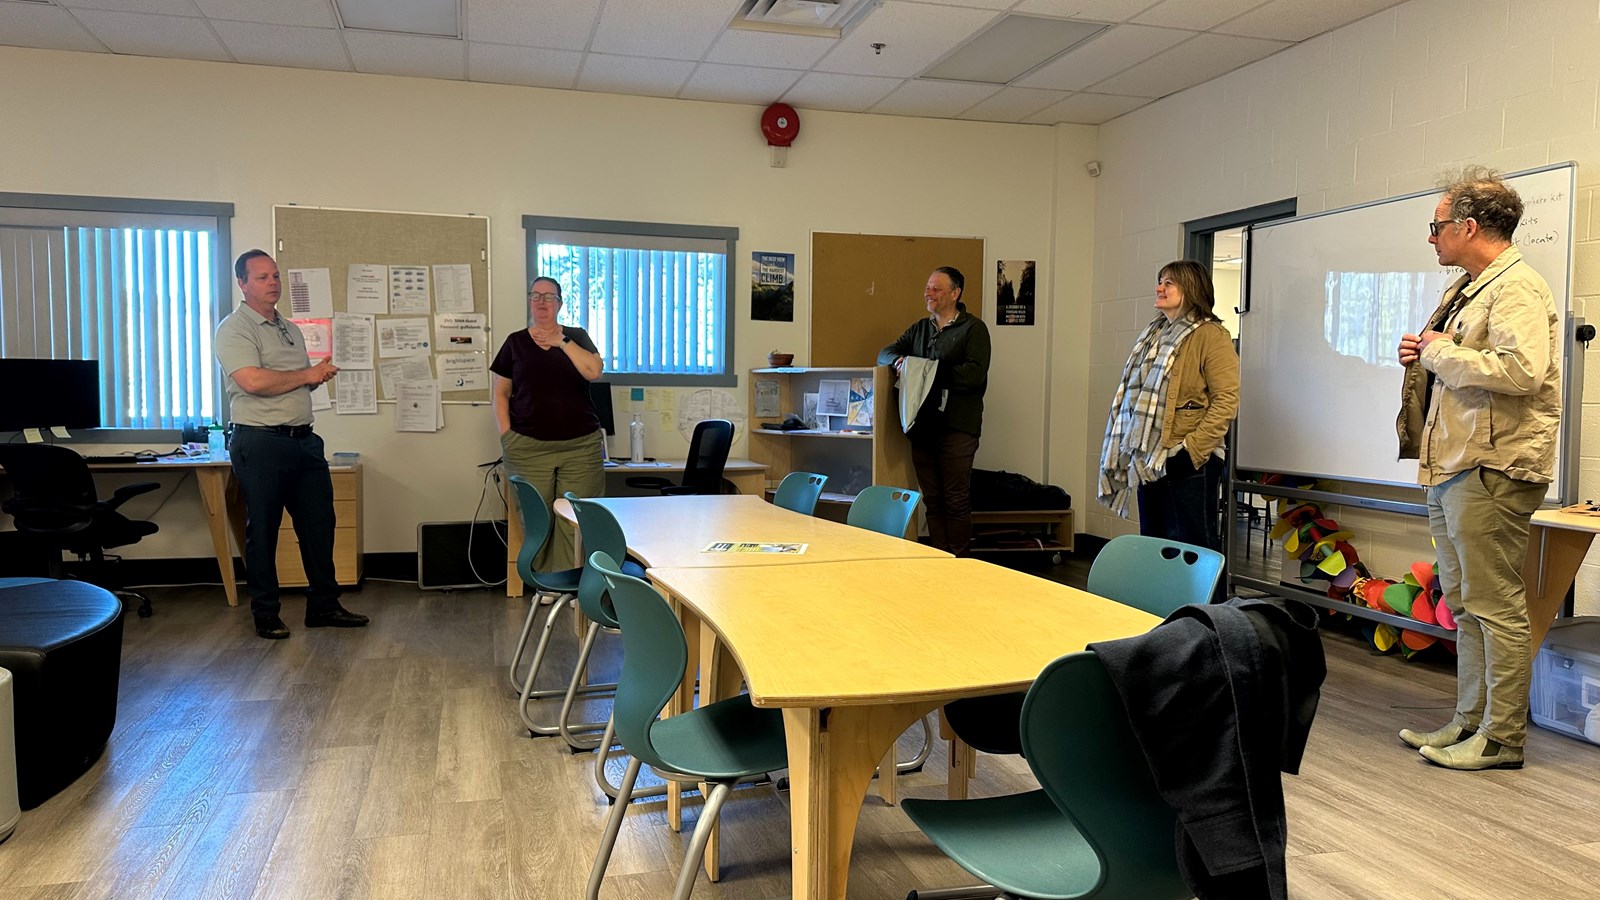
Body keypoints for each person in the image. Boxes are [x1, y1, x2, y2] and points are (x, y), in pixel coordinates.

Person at [1395, 166, 1560, 771]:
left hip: (1492, 465)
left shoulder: (1516, 287)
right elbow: (1462, 362)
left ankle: (1502, 738)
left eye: (1436, 225)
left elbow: (1521, 371)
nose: (1431, 236)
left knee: (1495, 606)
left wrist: (1440, 352)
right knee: (1465, 604)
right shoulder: (1468, 287)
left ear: (1468, 226)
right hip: (1455, 463)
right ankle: (1470, 721)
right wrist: (1425, 354)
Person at [215, 249, 368, 640]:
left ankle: (324, 605)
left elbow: (291, 381)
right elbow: (252, 381)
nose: (273, 283)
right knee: (264, 529)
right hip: (260, 441)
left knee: (320, 525)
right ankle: (266, 613)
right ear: (242, 283)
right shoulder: (234, 328)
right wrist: (306, 375)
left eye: (276, 276)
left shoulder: (289, 328)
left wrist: (314, 378)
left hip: (303, 441)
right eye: (262, 277)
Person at [1097, 260, 1239, 555]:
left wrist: (1190, 452)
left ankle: (1204, 592)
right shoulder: (1154, 335)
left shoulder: (1211, 335)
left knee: (1193, 551)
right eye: (1160, 281)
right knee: (1156, 547)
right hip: (1149, 459)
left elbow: (1226, 400)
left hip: (1188, 460)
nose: (1159, 288)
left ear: (1190, 289)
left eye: (1168, 283)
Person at [491, 276, 606, 572]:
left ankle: (570, 581)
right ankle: (546, 583)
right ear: (530, 301)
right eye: (536, 295)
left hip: (580, 446)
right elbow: (501, 393)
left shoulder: (576, 336)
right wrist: (506, 436)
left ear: (560, 303)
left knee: (576, 518)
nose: (542, 301)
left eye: (549, 296)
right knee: (537, 518)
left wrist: (561, 342)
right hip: (527, 447)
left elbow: (594, 371)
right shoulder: (515, 342)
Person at [877, 266, 990, 556]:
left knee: (955, 498)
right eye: (928, 288)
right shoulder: (920, 329)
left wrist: (927, 371)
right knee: (932, 498)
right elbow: (884, 353)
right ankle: (938, 557)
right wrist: (900, 361)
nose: (929, 293)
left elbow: (974, 375)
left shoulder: (974, 329)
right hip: (923, 427)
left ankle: (959, 561)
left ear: (955, 293)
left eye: (936, 289)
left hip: (958, 428)